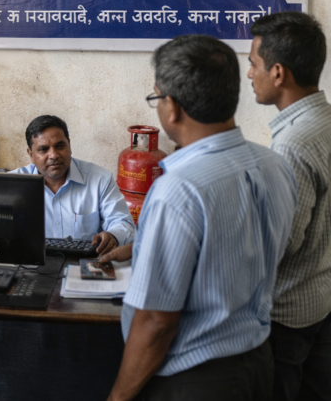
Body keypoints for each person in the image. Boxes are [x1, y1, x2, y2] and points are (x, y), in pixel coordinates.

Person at [104, 35, 297, 401]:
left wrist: (117, 397)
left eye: (157, 98)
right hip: (259, 363)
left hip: (195, 380)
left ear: (172, 108)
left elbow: (156, 321)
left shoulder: (178, 189)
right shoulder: (274, 165)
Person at [247, 12, 331, 401]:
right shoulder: (325, 122)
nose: (250, 74)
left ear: (278, 73)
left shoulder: (293, 143)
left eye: (254, 64)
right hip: (321, 298)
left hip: (286, 315)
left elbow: (280, 244)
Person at [11, 115, 135, 255]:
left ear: (69, 145)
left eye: (60, 146)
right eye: (43, 149)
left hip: (84, 264)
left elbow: (124, 223)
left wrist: (113, 236)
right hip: (32, 265)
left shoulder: (100, 180)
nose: (53, 155)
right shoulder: (12, 185)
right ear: (31, 154)